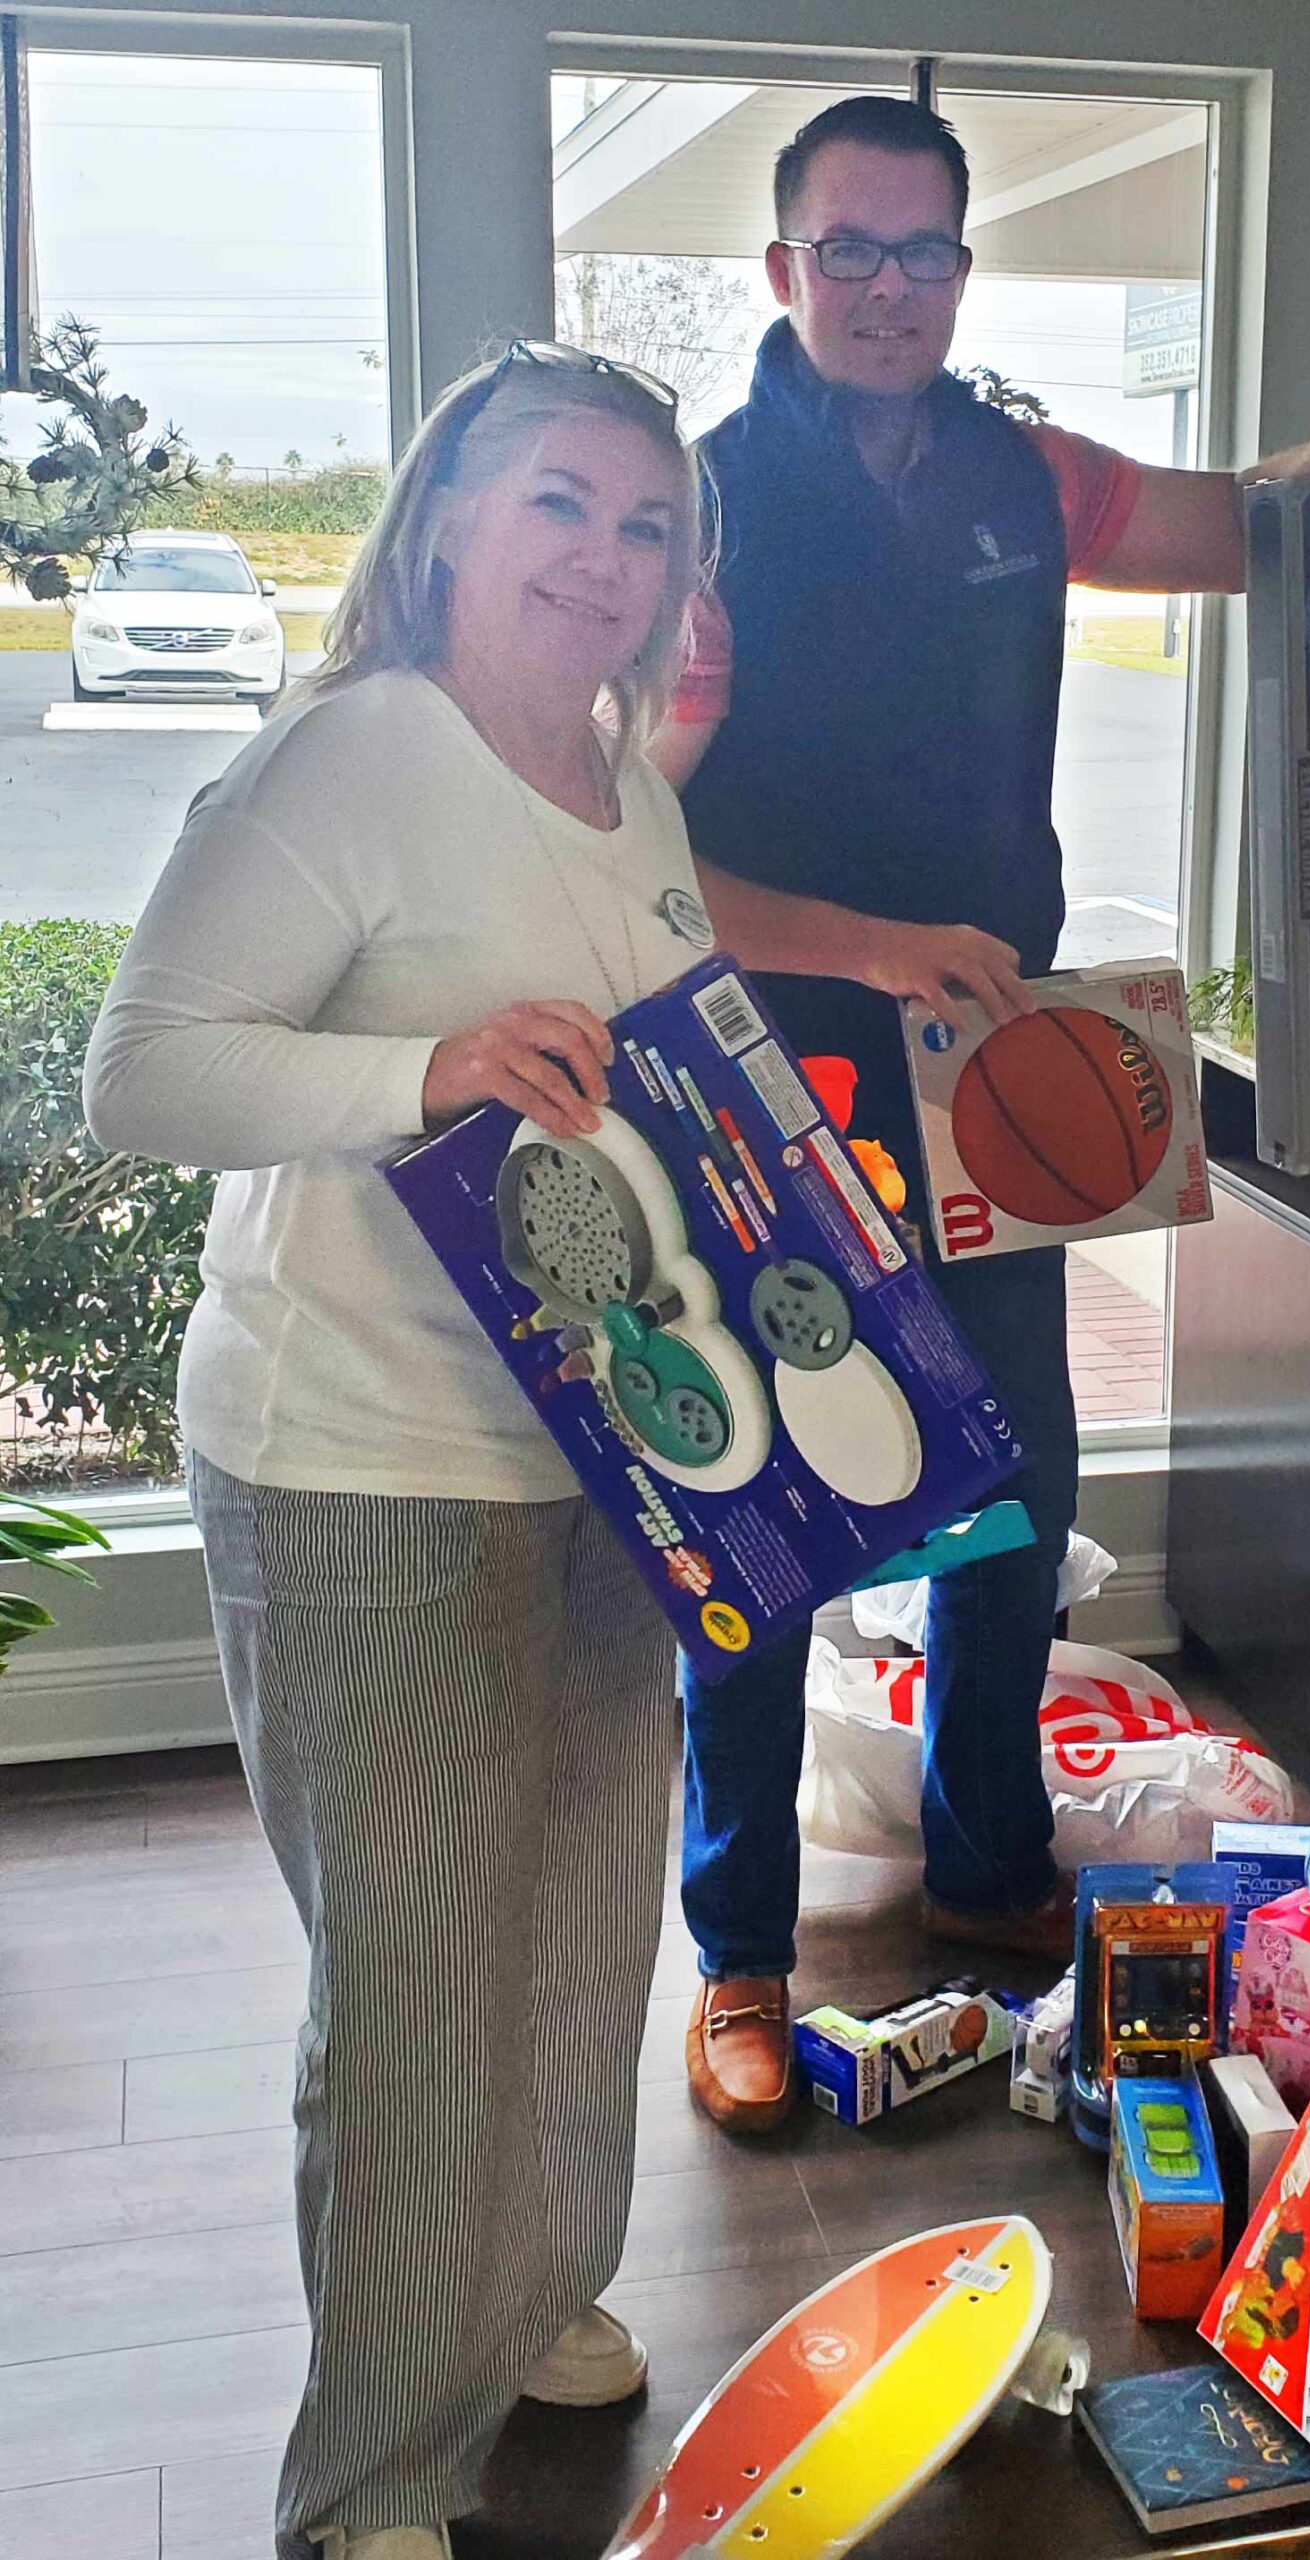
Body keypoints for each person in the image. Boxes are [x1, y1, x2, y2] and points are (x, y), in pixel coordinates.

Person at [648, 93, 1310, 2134]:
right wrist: (869, 939)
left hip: (985, 1064)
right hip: (771, 1064)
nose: (879, 288)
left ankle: (990, 1861)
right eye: (841, 251)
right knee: (761, 1523)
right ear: (779, 273)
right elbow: (641, 860)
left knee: (1011, 1488)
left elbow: (1235, 527)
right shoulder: (693, 506)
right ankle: (739, 1950)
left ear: (958, 270)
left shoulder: (1023, 473)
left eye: (917, 252)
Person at [83, 344, 711, 2560]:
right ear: (445, 514)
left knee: (573, 1915)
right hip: (357, 1453)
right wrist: (420, 1068)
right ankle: (373, 2464)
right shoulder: (351, 755)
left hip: (599, 1448)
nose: (601, 560)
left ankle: (530, 2289)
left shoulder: (626, 777)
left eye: (643, 524)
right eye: (558, 504)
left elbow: (638, 1094)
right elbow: (141, 1072)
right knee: (420, 1973)